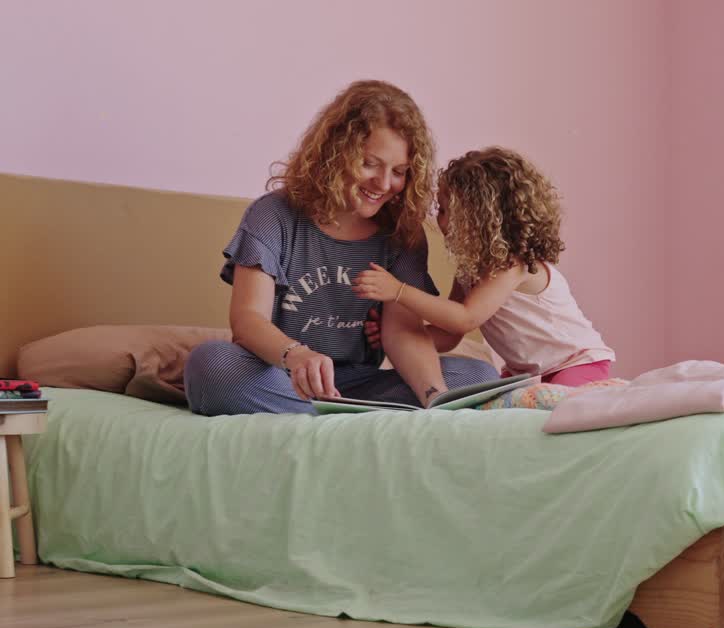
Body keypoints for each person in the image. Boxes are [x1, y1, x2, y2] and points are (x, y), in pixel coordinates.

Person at [185, 80, 498, 415]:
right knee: (212, 365)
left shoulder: (402, 234)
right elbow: (247, 320)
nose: (383, 183)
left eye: (399, 171)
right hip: (283, 375)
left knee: (478, 376)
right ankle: (354, 418)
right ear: (336, 153)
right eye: (370, 164)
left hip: (362, 383)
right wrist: (296, 355)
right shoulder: (272, 215)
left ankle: (331, 415)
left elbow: (402, 333)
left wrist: (433, 395)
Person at [355, 147, 614, 387]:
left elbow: (465, 319)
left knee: (563, 409)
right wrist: (397, 337)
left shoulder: (512, 265)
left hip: (575, 362)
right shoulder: (470, 269)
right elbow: (449, 334)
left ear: (477, 218)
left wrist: (399, 291)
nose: (438, 219)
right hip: (527, 372)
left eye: (443, 210)